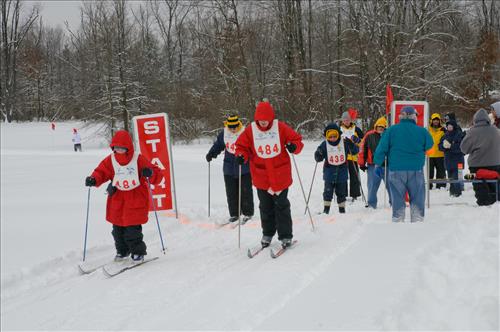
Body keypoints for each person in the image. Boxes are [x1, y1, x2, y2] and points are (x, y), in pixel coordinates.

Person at [85, 130, 162, 263]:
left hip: (135, 198)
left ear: (128, 148)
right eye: (116, 148)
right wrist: (94, 179)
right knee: (117, 231)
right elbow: (102, 172)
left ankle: (138, 253)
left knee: (132, 231)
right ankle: (122, 251)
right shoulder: (111, 160)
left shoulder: (138, 159)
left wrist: (149, 173)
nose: (119, 151)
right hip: (117, 199)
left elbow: (156, 173)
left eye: (122, 148)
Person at [235, 101, 303, 248]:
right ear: (256, 119)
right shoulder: (250, 131)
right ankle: (268, 233)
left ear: (271, 118)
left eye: (266, 120)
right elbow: (241, 146)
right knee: (265, 207)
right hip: (262, 177)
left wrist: (294, 146)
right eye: (260, 120)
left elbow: (297, 140)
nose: (263, 122)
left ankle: (285, 235)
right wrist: (241, 155)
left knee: (282, 206)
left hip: (280, 175)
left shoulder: (280, 127)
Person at [374, 106, 433, 223]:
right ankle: (417, 220)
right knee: (417, 196)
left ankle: (398, 219)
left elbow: (381, 149)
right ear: (414, 117)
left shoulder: (391, 130)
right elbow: (430, 147)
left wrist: (377, 164)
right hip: (416, 169)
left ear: (400, 116)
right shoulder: (422, 131)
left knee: (397, 196)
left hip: (396, 169)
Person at [206, 115, 254, 224]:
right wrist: (211, 153)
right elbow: (218, 145)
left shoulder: (245, 133)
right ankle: (234, 214)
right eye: (231, 126)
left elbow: (252, 148)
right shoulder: (224, 133)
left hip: (244, 167)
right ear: (227, 125)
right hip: (229, 168)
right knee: (231, 192)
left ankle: (247, 213)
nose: (233, 129)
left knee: (245, 192)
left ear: (239, 124)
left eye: (235, 126)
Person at [314, 123, 358, 214]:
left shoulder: (344, 143)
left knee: (341, 192)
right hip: (329, 172)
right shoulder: (324, 144)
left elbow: (355, 151)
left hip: (342, 172)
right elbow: (318, 158)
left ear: (338, 134)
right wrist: (318, 154)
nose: (333, 138)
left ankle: (342, 209)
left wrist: (352, 145)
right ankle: (326, 209)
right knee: (327, 192)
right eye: (330, 137)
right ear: (326, 136)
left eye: (335, 136)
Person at [460, 108, 500, 206]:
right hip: (496, 164)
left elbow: (464, 149)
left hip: (477, 165)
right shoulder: (496, 130)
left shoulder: (472, 132)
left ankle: (483, 201)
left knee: (480, 184)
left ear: (475, 120)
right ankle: (495, 200)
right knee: (494, 183)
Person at [358, 116, 391, 209]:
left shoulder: (389, 135)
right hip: (373, 164)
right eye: (379, 126)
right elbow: (362, 149)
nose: (380, 128)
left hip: (387, 165)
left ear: (385, 127)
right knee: (372, 186)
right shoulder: (369, 135)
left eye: (382, 127)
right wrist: (361, 163)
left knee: (391, 185)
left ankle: (394, 202)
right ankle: (372, 204)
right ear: (375, 126)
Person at [339, 109, 364, 201]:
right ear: (342, 121)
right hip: (342, 156)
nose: (346, 121)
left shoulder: (356, 129)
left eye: (348, 119)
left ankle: (355, 194)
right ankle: (342, 193)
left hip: (353, 156)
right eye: (344, 120)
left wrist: (357, 140)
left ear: (351, 120)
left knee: (354, 176)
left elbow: (363, 142)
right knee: (342, 176)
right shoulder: (339, 129)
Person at [438, 119, 465, 197]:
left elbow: (462, 148)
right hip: (448, 161)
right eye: (448, 126)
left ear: (454, 127)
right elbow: (439, 146)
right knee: (450, 178)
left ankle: (457, 193)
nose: (449, 128)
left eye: (450, 126)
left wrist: (451, 146)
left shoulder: (459, 135)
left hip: (458, 161)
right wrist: (443, 146)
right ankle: (452, 192)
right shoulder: (445, 135)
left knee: (456, 178)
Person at [427, 114, 446, 189]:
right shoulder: (427, 129)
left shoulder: (443, 130)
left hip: (440, 154)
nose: (436, 121)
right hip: (430, 154)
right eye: (434, 120)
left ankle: (441, 186)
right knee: (429, 173)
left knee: (441, 172)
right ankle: (429, 186)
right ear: (431, 120)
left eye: (437, 120)